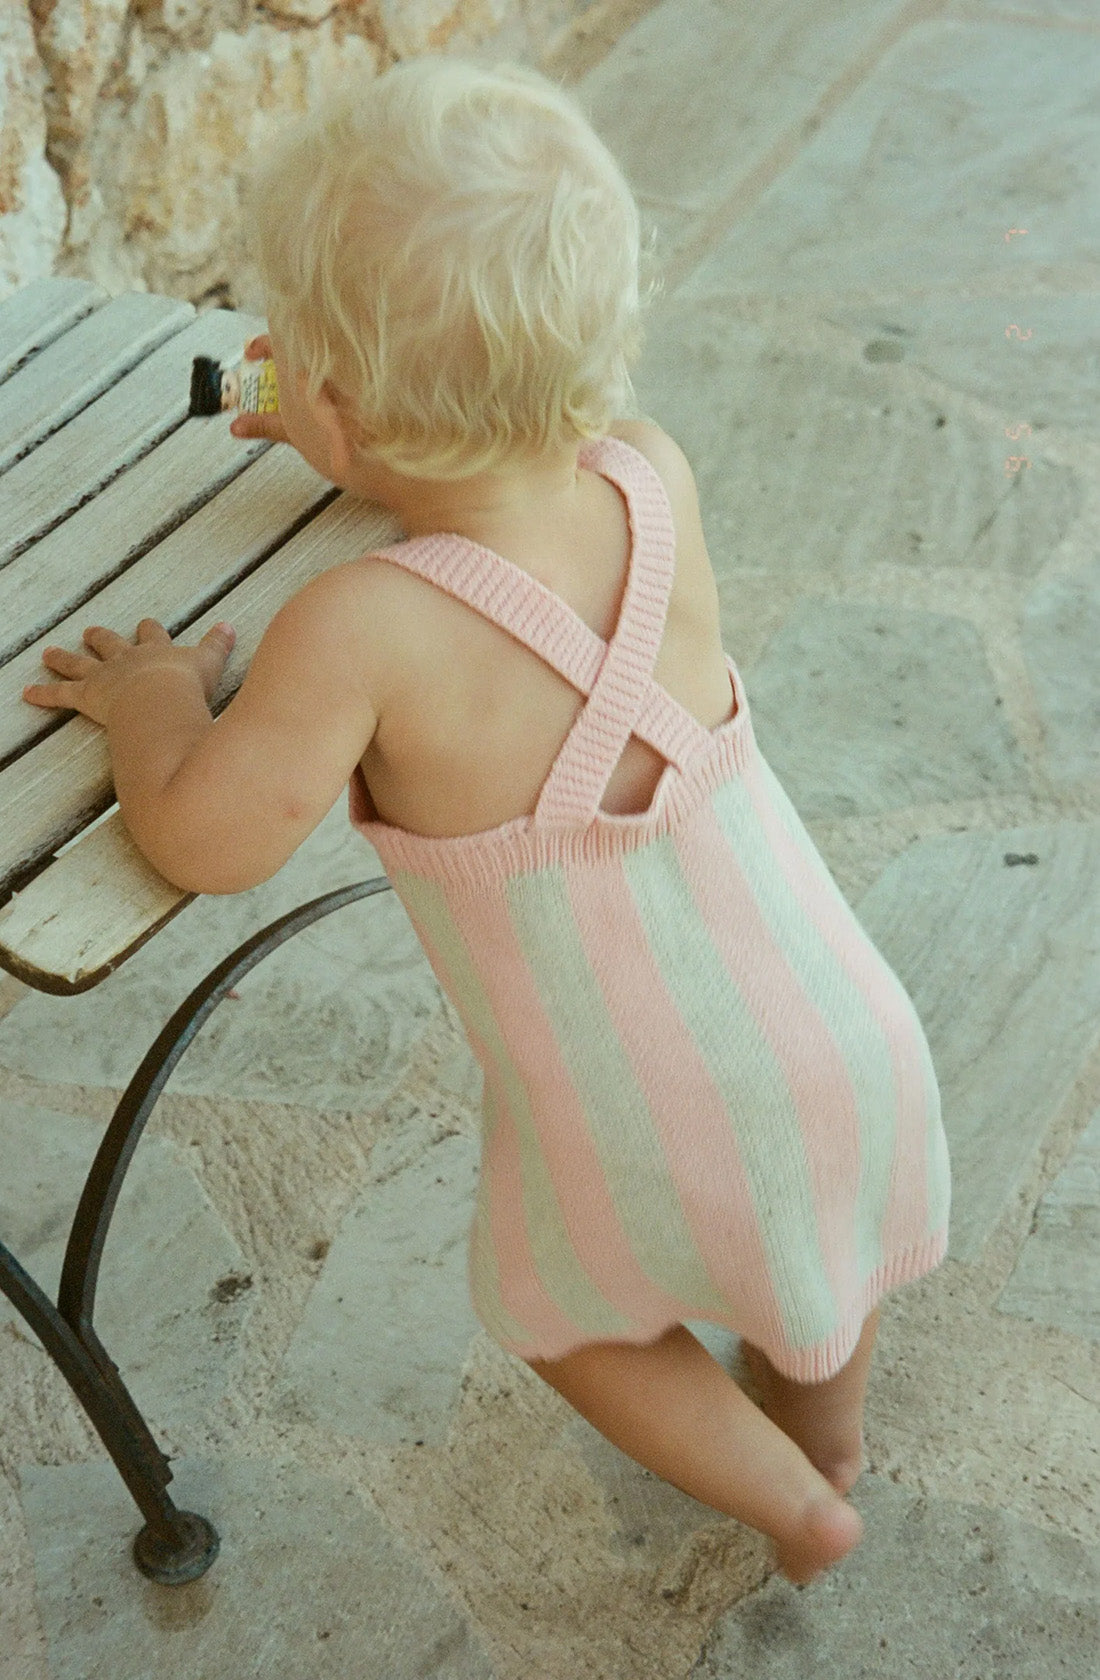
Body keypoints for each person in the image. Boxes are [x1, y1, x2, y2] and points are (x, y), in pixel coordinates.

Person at [23, 56, 950, 1587]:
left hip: (650, 1107)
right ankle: (824, 1439)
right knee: (810, 1260)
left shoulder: (359, 628)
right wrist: (331, 410)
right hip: (839, 1030)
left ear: (338, 401)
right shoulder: (649, 473)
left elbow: (205, 839)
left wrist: (151, 706)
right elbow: (493, 484)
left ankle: (793, 1506)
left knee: (564, 1315)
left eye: (302, 369)